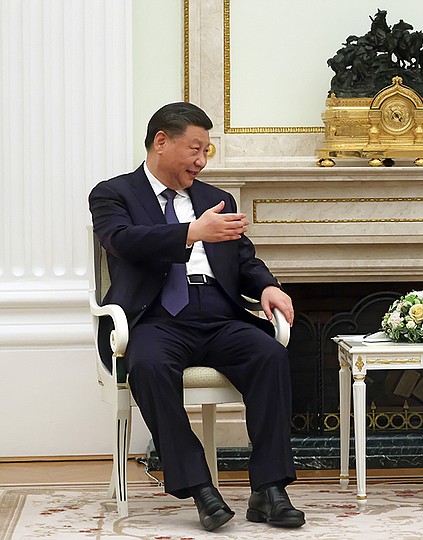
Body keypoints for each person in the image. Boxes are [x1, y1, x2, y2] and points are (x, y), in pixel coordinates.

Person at [89, 102, 304, 532]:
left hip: (220, 315)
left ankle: (269, 489)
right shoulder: (114, 193)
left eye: (207, 151)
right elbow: (123, 241)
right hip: (153, 319)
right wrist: (190, 233)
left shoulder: (214, 199)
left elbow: (244, 259)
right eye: (195, 148)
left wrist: (267, 286)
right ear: (161, 142)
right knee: (148, 366)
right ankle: (199, 488)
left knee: (270, 356)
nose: (202, 161)